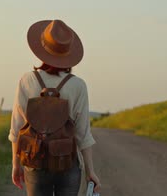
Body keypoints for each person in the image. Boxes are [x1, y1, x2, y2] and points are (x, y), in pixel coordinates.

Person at [8, 19, 101, 196]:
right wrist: (90, 172)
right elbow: (83, 133)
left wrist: (16, 164)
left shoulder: (27, 81)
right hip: (67, 162)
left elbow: (17, 128)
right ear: (68, 53)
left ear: (42, 51)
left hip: (35, 161)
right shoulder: (78, 85)